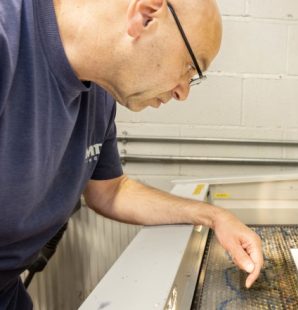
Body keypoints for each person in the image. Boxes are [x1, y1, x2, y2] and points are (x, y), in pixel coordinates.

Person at [0, 0, 263, 308]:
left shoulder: (99, 93)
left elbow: (110, 190)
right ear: (146, 15)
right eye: (190, 66)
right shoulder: (9, 34)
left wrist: (216, 217)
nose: (183, 92)